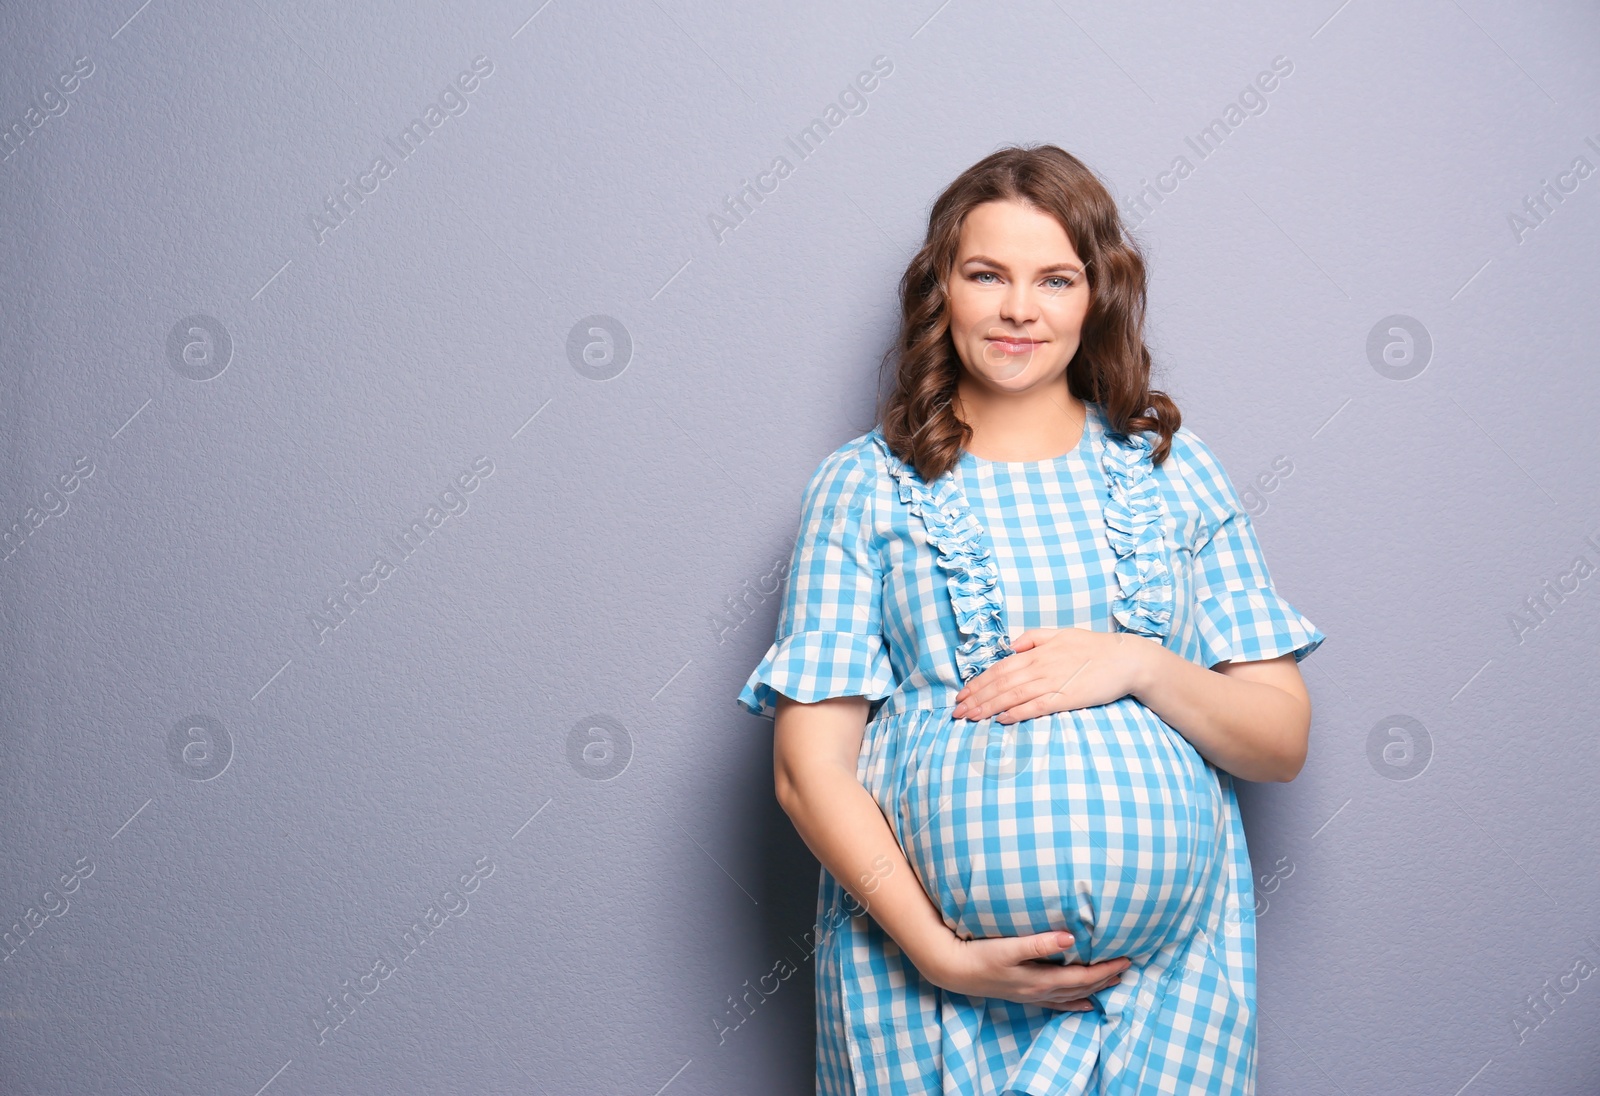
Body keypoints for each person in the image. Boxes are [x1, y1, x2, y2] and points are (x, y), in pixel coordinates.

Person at [736, 144, 1325, 1095]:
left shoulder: (1176, 474)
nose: (1020, 309)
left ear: (1095, 297)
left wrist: (1138, 665)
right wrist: (938, 954)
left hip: (1165, 996)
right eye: (987, 276)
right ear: (942, 291)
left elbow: (1280, 742)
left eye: (1054, 278)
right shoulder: (863, 487)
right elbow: (810, 773)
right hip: (919, 992)